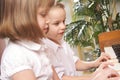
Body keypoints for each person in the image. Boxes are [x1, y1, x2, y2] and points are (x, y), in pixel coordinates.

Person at [44, 2, 120, 80]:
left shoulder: (61, 41)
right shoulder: (46, 49)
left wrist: (94, 63)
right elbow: (62, 78)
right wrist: (93, 77)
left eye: (63, 21)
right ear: (44, 25)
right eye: (56, 23)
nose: (63, 26)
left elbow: (75, 63)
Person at [0, 0, 60, 80]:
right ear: (22, 17)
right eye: (43, 15)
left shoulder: (39, 45)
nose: (48, 20)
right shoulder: (16, 55)